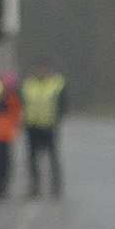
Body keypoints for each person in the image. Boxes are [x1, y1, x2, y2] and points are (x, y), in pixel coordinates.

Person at [20, 65, 69, 200]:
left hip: (49, 127)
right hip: (32, 127)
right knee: (32, 159)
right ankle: (34, 187)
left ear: (48, 70)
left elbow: (63, 103)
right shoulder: (28, 85)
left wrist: (58, 119)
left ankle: (56, 187)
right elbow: (21, 103)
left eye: (43, 69)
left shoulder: (56, 84)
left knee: (53, 158)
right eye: (39, 69)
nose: (41, 72)